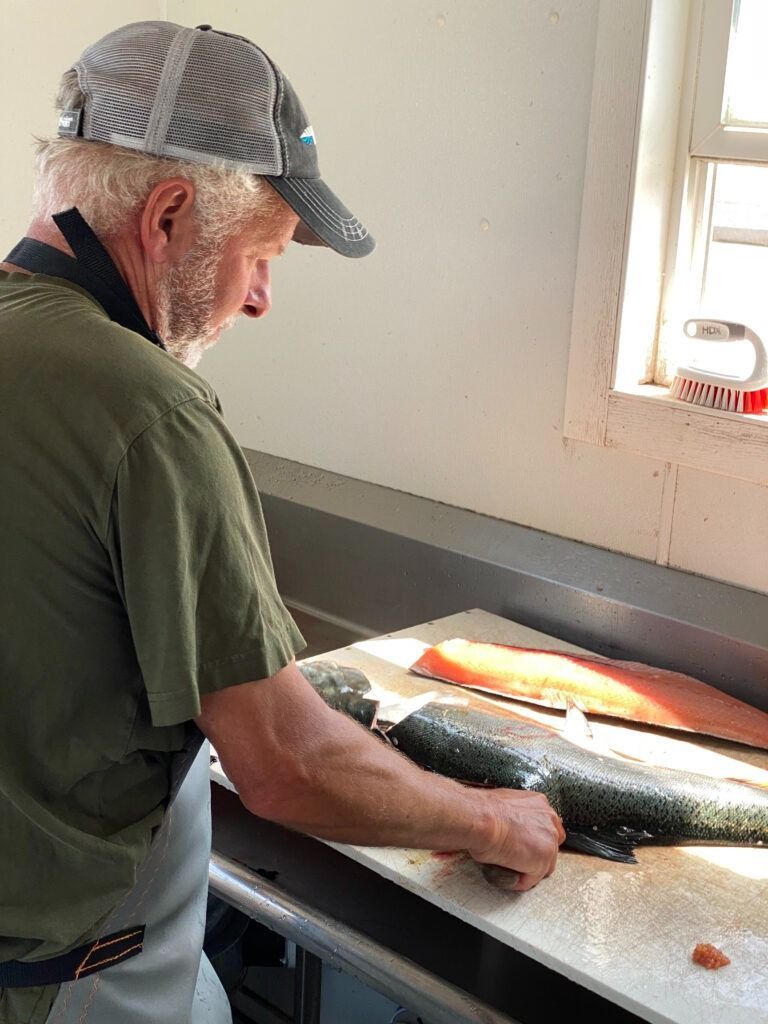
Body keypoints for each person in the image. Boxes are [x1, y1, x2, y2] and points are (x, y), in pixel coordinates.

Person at [0, 20, 565, 1024]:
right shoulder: (147, 408)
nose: (261, 298)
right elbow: (285, 766)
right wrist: (494, 821)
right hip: (70, 987)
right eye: (262, 254)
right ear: (169, 215)